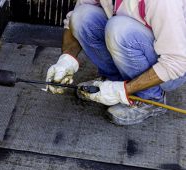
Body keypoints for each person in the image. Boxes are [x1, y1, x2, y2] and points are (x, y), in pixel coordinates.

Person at [46, 0, 186, 125]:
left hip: (173, 68)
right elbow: (74, 18)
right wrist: (66, 59)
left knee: (120, 30)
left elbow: (177, 61)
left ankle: (150, 98)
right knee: (81, 16)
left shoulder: (164, 3)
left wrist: (122, 91)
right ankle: (112, 81)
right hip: (135, 39)